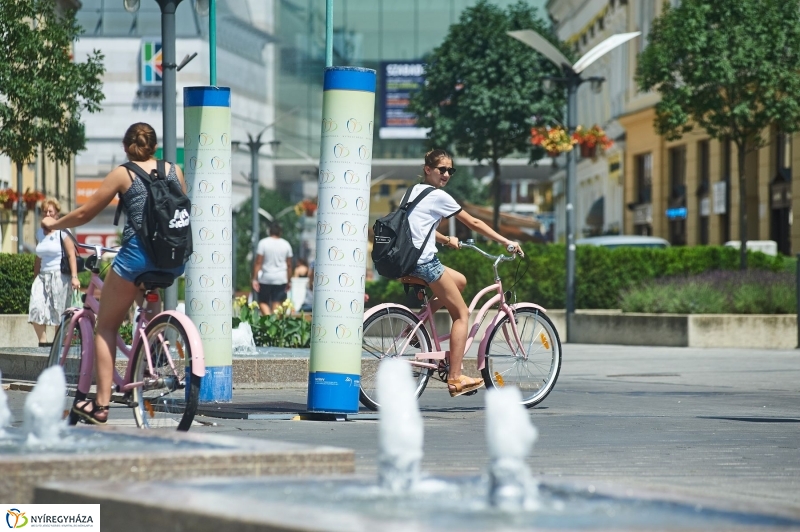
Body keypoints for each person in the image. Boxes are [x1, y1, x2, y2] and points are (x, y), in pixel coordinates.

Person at [41, 122, 187, 424]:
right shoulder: (174, 170)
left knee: (105, 327)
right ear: (155, 147)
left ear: (126, 147)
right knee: (146, 302)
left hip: (136, 258)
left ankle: (101, 405)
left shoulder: (124, 173)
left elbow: (85, 213)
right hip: (172, 260)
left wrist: (54, 225)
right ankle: (153, 353)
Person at [405, 149, 523, 398]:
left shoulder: (414, 191)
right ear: (428, 170)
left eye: (450, 170)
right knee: (462, 314)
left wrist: (446, 239)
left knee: (459, 281)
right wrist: (506, 242)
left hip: (407, 260)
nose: (446, 174)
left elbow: (416, 226)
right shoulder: (438, 196)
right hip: (424, 262)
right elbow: (475, 223)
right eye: (442, 170)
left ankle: (414, 328)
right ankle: (456, 378)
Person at [28, 198, 81, 347]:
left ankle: (59, 344)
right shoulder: (39, 233)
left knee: (59, 312)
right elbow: (38, 257)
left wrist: (74, 277)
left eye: (50, 211)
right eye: (45, 211)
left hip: (60, 276)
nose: (47, 213)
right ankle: (43, 342)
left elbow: (71, 255)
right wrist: (35, 277)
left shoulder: (63, 231)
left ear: (57, 214)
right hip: (43, 276)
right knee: (35, 308)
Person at [251, 223, 293, 315]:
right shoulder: (286, 244)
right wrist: (289, 280)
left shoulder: (263, 243)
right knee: (277, 302)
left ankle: (268, 319)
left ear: (269, 231)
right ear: (280, 233)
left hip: (266, 277)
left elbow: (258, 262)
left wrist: (254, 279)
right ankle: (273, 323)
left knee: (262, 301)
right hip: (281, 278)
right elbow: (289, 264)